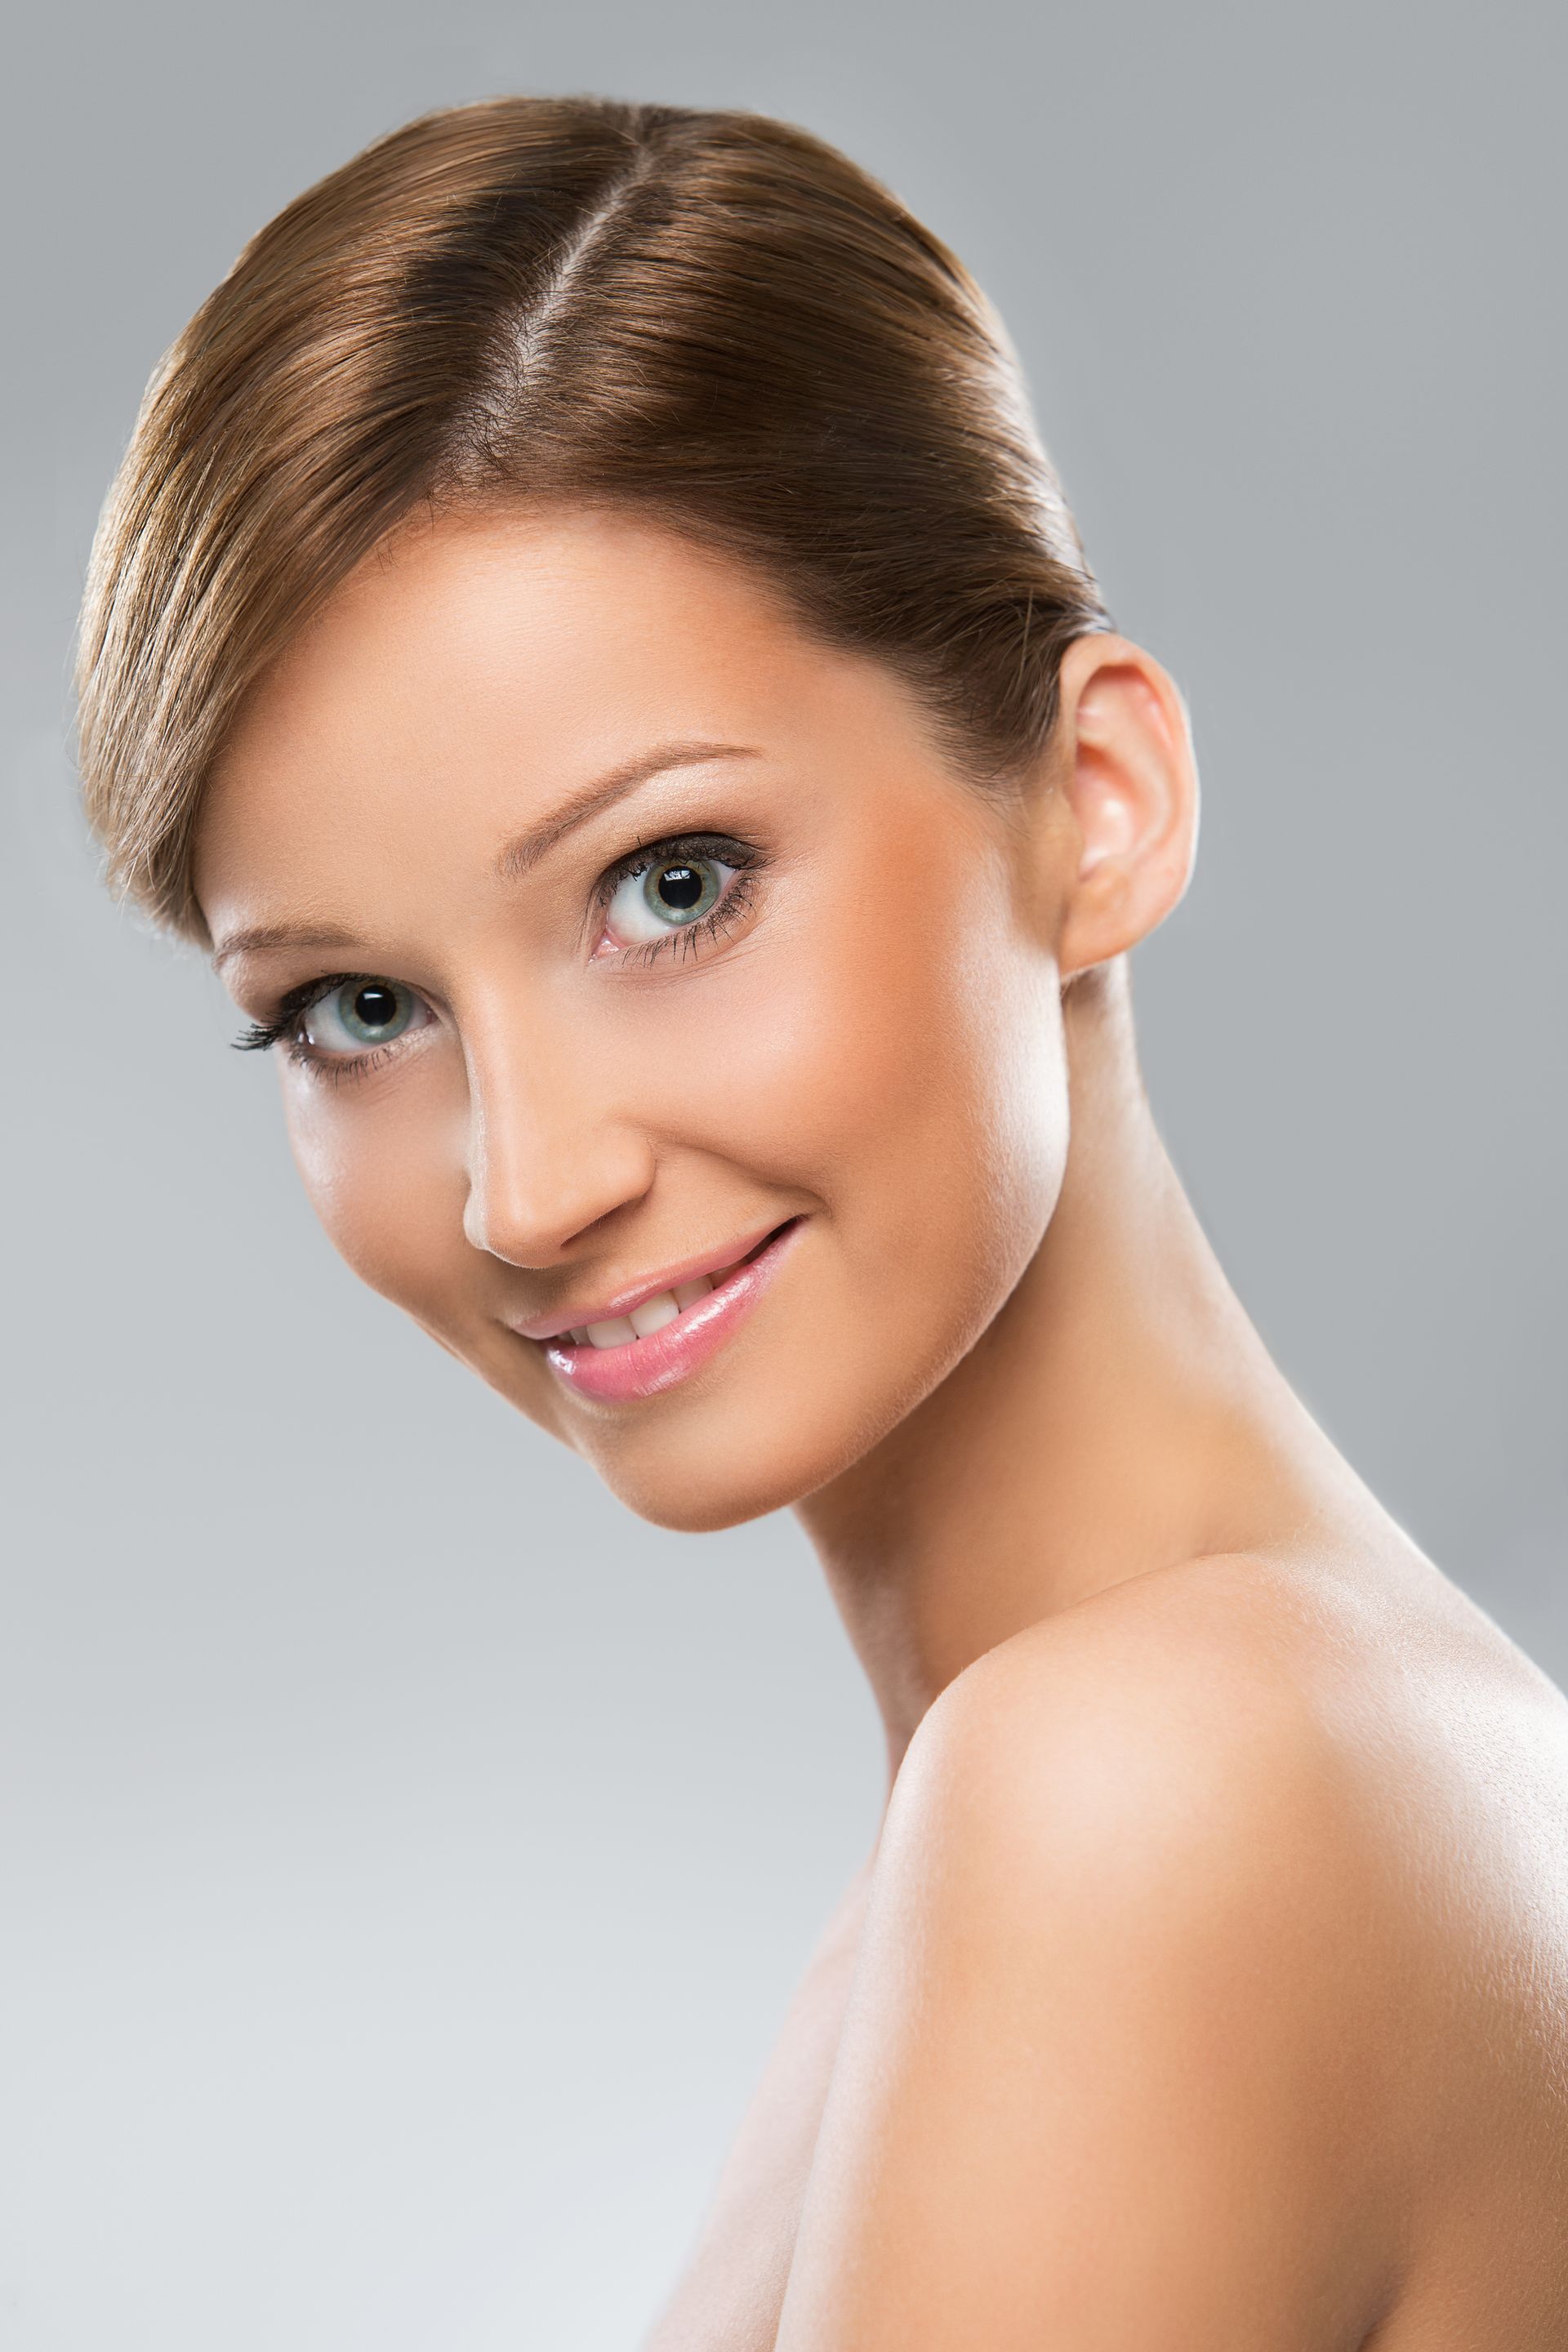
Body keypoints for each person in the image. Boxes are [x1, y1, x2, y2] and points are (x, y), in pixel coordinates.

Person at [74, 94, 1568, 2350]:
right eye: (357, 1008)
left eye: (672, 887)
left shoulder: (1150, 1798)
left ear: (1097, 802)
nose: (527, 1181)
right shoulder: (1106, 1812)